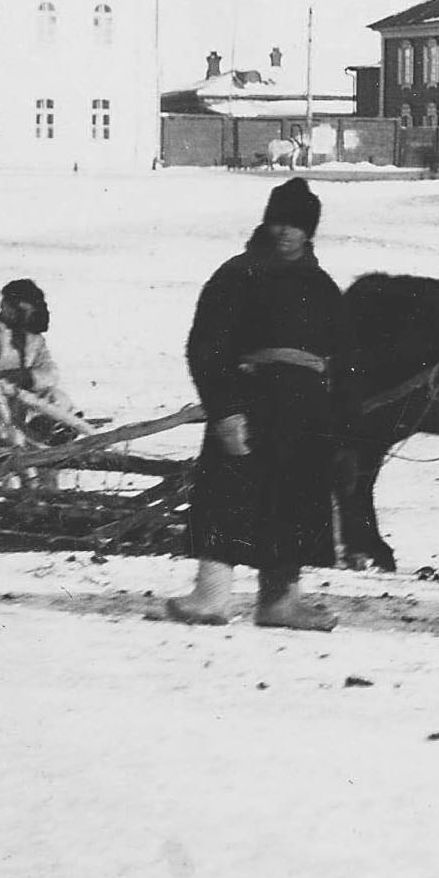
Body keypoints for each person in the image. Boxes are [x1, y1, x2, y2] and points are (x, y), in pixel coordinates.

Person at [167, 176, 353, 630]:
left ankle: (280, 603)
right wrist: (225, 410)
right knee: (228, 496)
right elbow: (205, 348)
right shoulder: (237, 276)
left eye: (297, 225)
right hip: (249, 403)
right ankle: (209, 598)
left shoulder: (322, 285)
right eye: (279, 223)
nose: (287, 232)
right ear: (267, 224)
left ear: (310, 231)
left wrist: (341, 421)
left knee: (292, 501)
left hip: (304, 412)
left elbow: (343, 356)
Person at [0, 278, 87, 447]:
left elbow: (50, 372)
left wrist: (29, 377)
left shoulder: (34, 340)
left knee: (57, 396)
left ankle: (55, 427)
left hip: (23, 399)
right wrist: (4, 378)